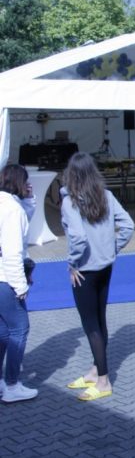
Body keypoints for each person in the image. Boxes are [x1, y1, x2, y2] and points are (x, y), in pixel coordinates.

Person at [60, 152, 134, 401]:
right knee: (100, 320)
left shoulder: (70, 202)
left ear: (71, 174)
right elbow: (128, 225)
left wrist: (72, 263)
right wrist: (113, 248)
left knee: (91, 324)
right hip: (105, 266)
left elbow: (79, 238)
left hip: (85, 270)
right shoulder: (106, 196)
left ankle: (103, 381)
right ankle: (96, 370)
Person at [0, 164, 37, 403]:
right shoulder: (13, 209)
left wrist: (29, 201)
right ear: (19, 183)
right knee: (19, 329)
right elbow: (12, 251)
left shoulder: (9, 205)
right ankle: (12, 384)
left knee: (3, 331)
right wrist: (20, 286)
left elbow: (23, 221)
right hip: (6, 278)